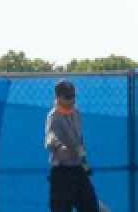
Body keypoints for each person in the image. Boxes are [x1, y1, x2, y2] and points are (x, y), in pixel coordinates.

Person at [45, 79, 100, 212]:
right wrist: (58, 147)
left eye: (73, 96)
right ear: (57, 97)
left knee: (90, 206)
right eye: (68, 97)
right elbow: (49, 136)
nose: (72, 100)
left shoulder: (76, 113)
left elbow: (79, 141)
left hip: (78, 170)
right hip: (62, 172)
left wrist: (84, 163)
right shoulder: (54, 116)